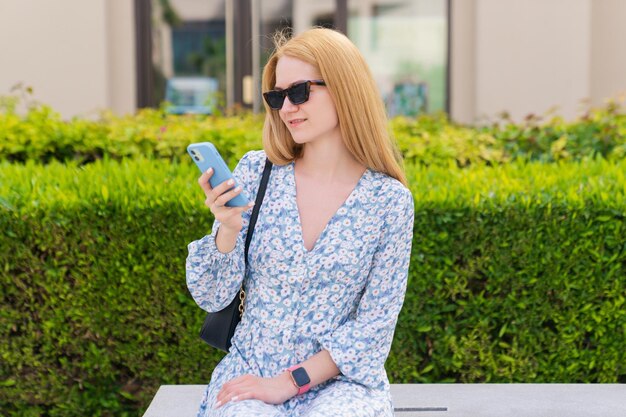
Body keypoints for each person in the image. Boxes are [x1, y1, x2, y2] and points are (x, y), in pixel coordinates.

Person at [186, 27, 414, 417]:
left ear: (345, 88)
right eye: (277, 96)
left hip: (342, 386)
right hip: (251, 374)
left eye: (300, 91)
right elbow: (210, 296)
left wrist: (289, 383)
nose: (286, 107)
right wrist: (226, 229)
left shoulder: (389, 202)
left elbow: (373, 329)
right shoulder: (256, 172)